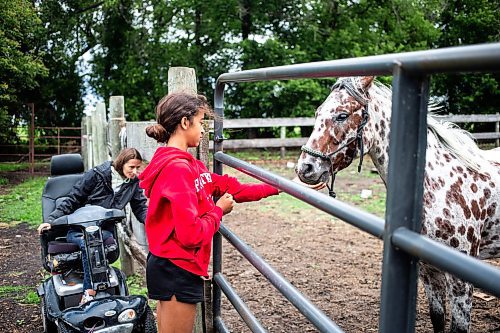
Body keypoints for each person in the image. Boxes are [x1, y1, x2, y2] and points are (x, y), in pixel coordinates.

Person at [139, 92, 324, 333]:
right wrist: (218, 210)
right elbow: (191, 235)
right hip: (177, 267)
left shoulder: (190, 165)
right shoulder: (177, 169)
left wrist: (286, 187)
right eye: (201, 122)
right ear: (185, 123)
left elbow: (234, 188)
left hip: (173, 264)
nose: (204, 130)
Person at [37, 147, 148, 304]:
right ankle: (90, 292)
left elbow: (140, 207)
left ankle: (96, 292)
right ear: (121, 163)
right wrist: (51, 220)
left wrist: (153, 221)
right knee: (89, 242)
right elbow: (74, 198)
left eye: (138, 167)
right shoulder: (97, 175)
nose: (135, 171)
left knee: (96, 241)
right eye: (131, 167)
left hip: (104, 230)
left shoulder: (133, 183)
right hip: (79, 228)